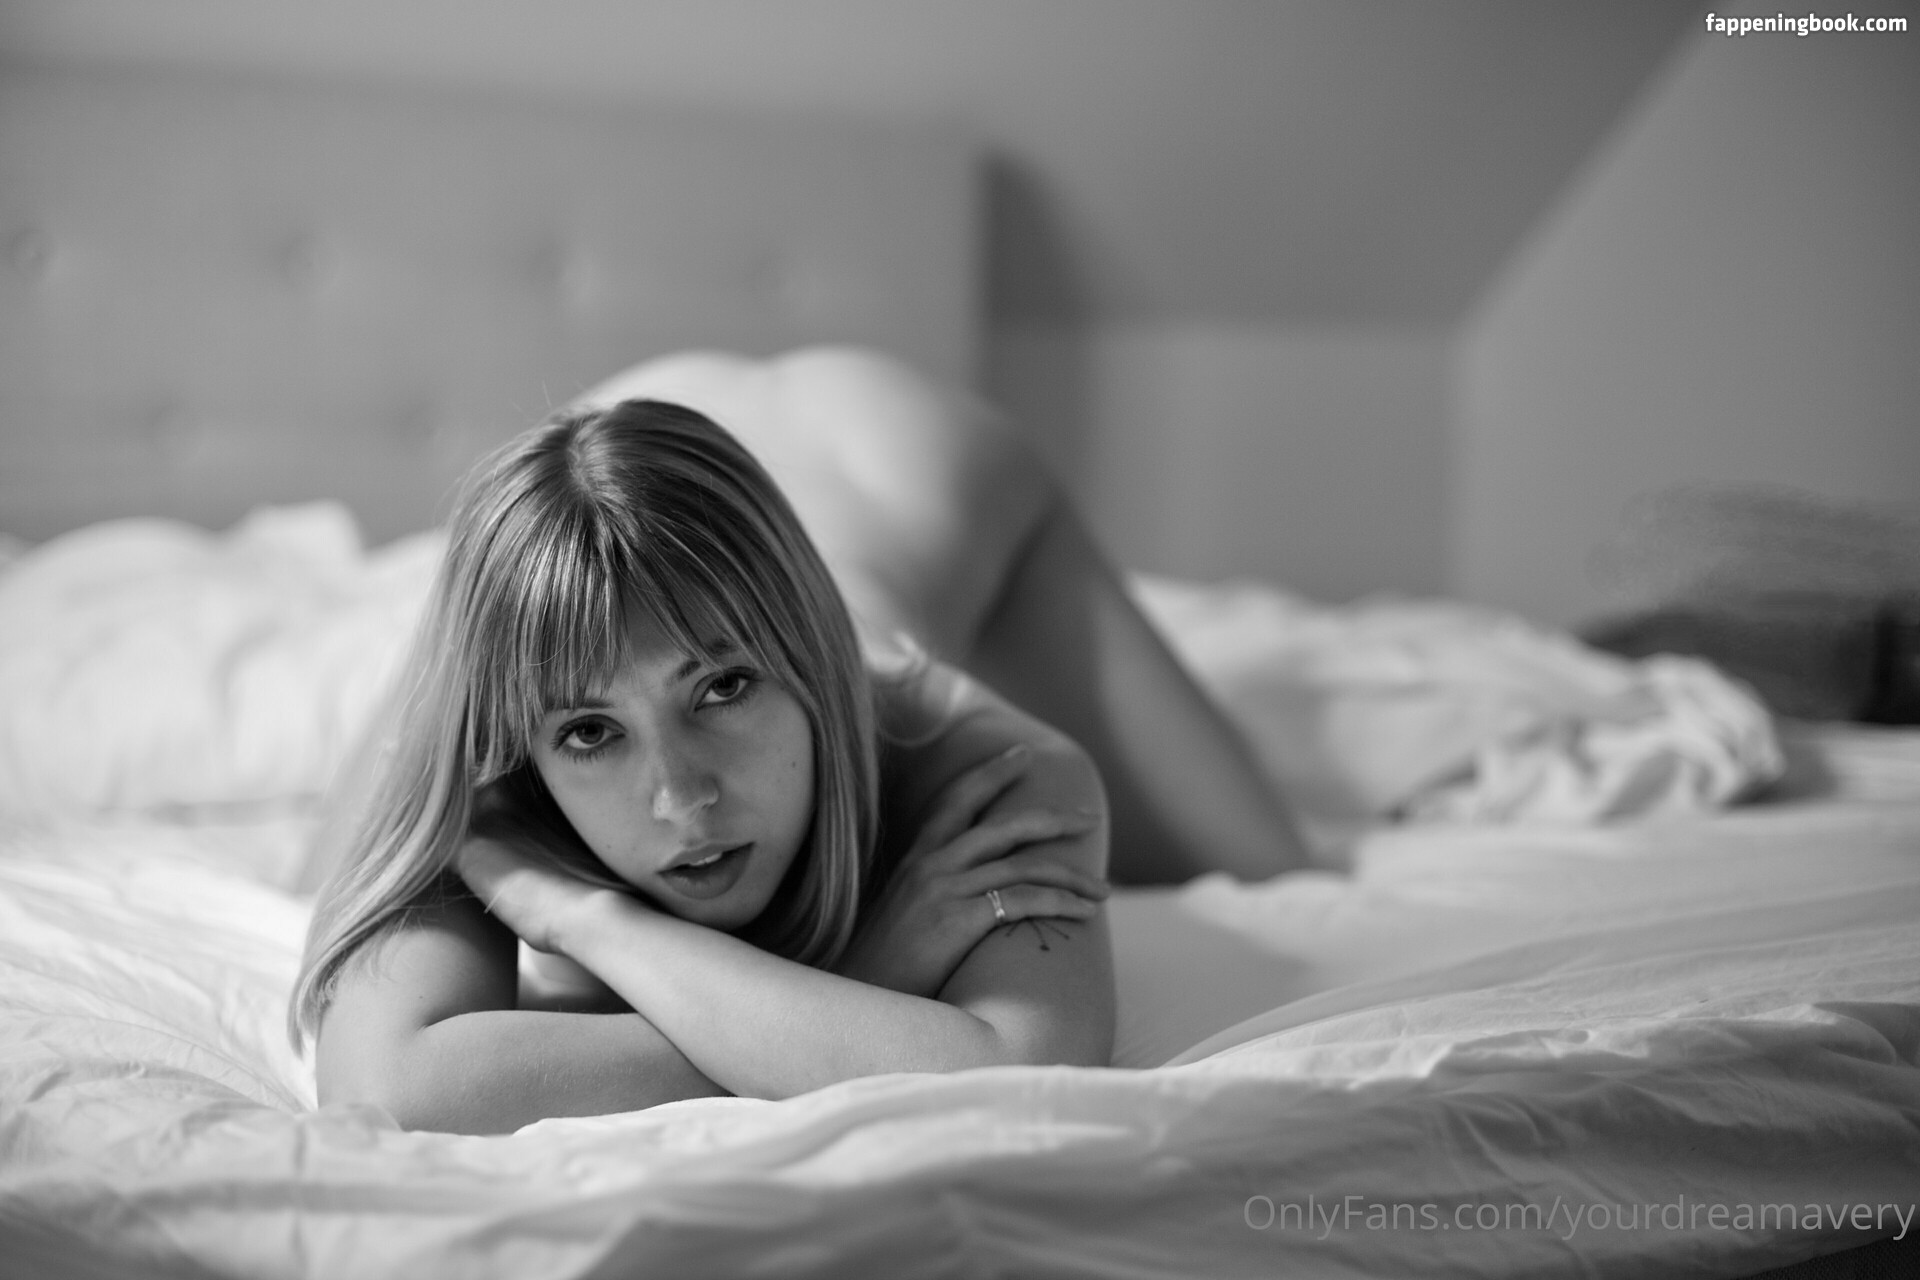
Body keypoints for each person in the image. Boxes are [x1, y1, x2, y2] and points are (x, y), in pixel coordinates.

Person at [292, 348, 1305, 1134]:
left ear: (810, 659)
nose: (682, 798)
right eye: (593, 732)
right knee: (329, 859)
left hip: (910, 459)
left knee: (1272, 861)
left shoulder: (994, 774)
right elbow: (393, 1087)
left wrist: (591, 923)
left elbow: (1018, 1068)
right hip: (592, 503)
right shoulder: (486, 757)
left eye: (724, 687)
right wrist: (869, 978)